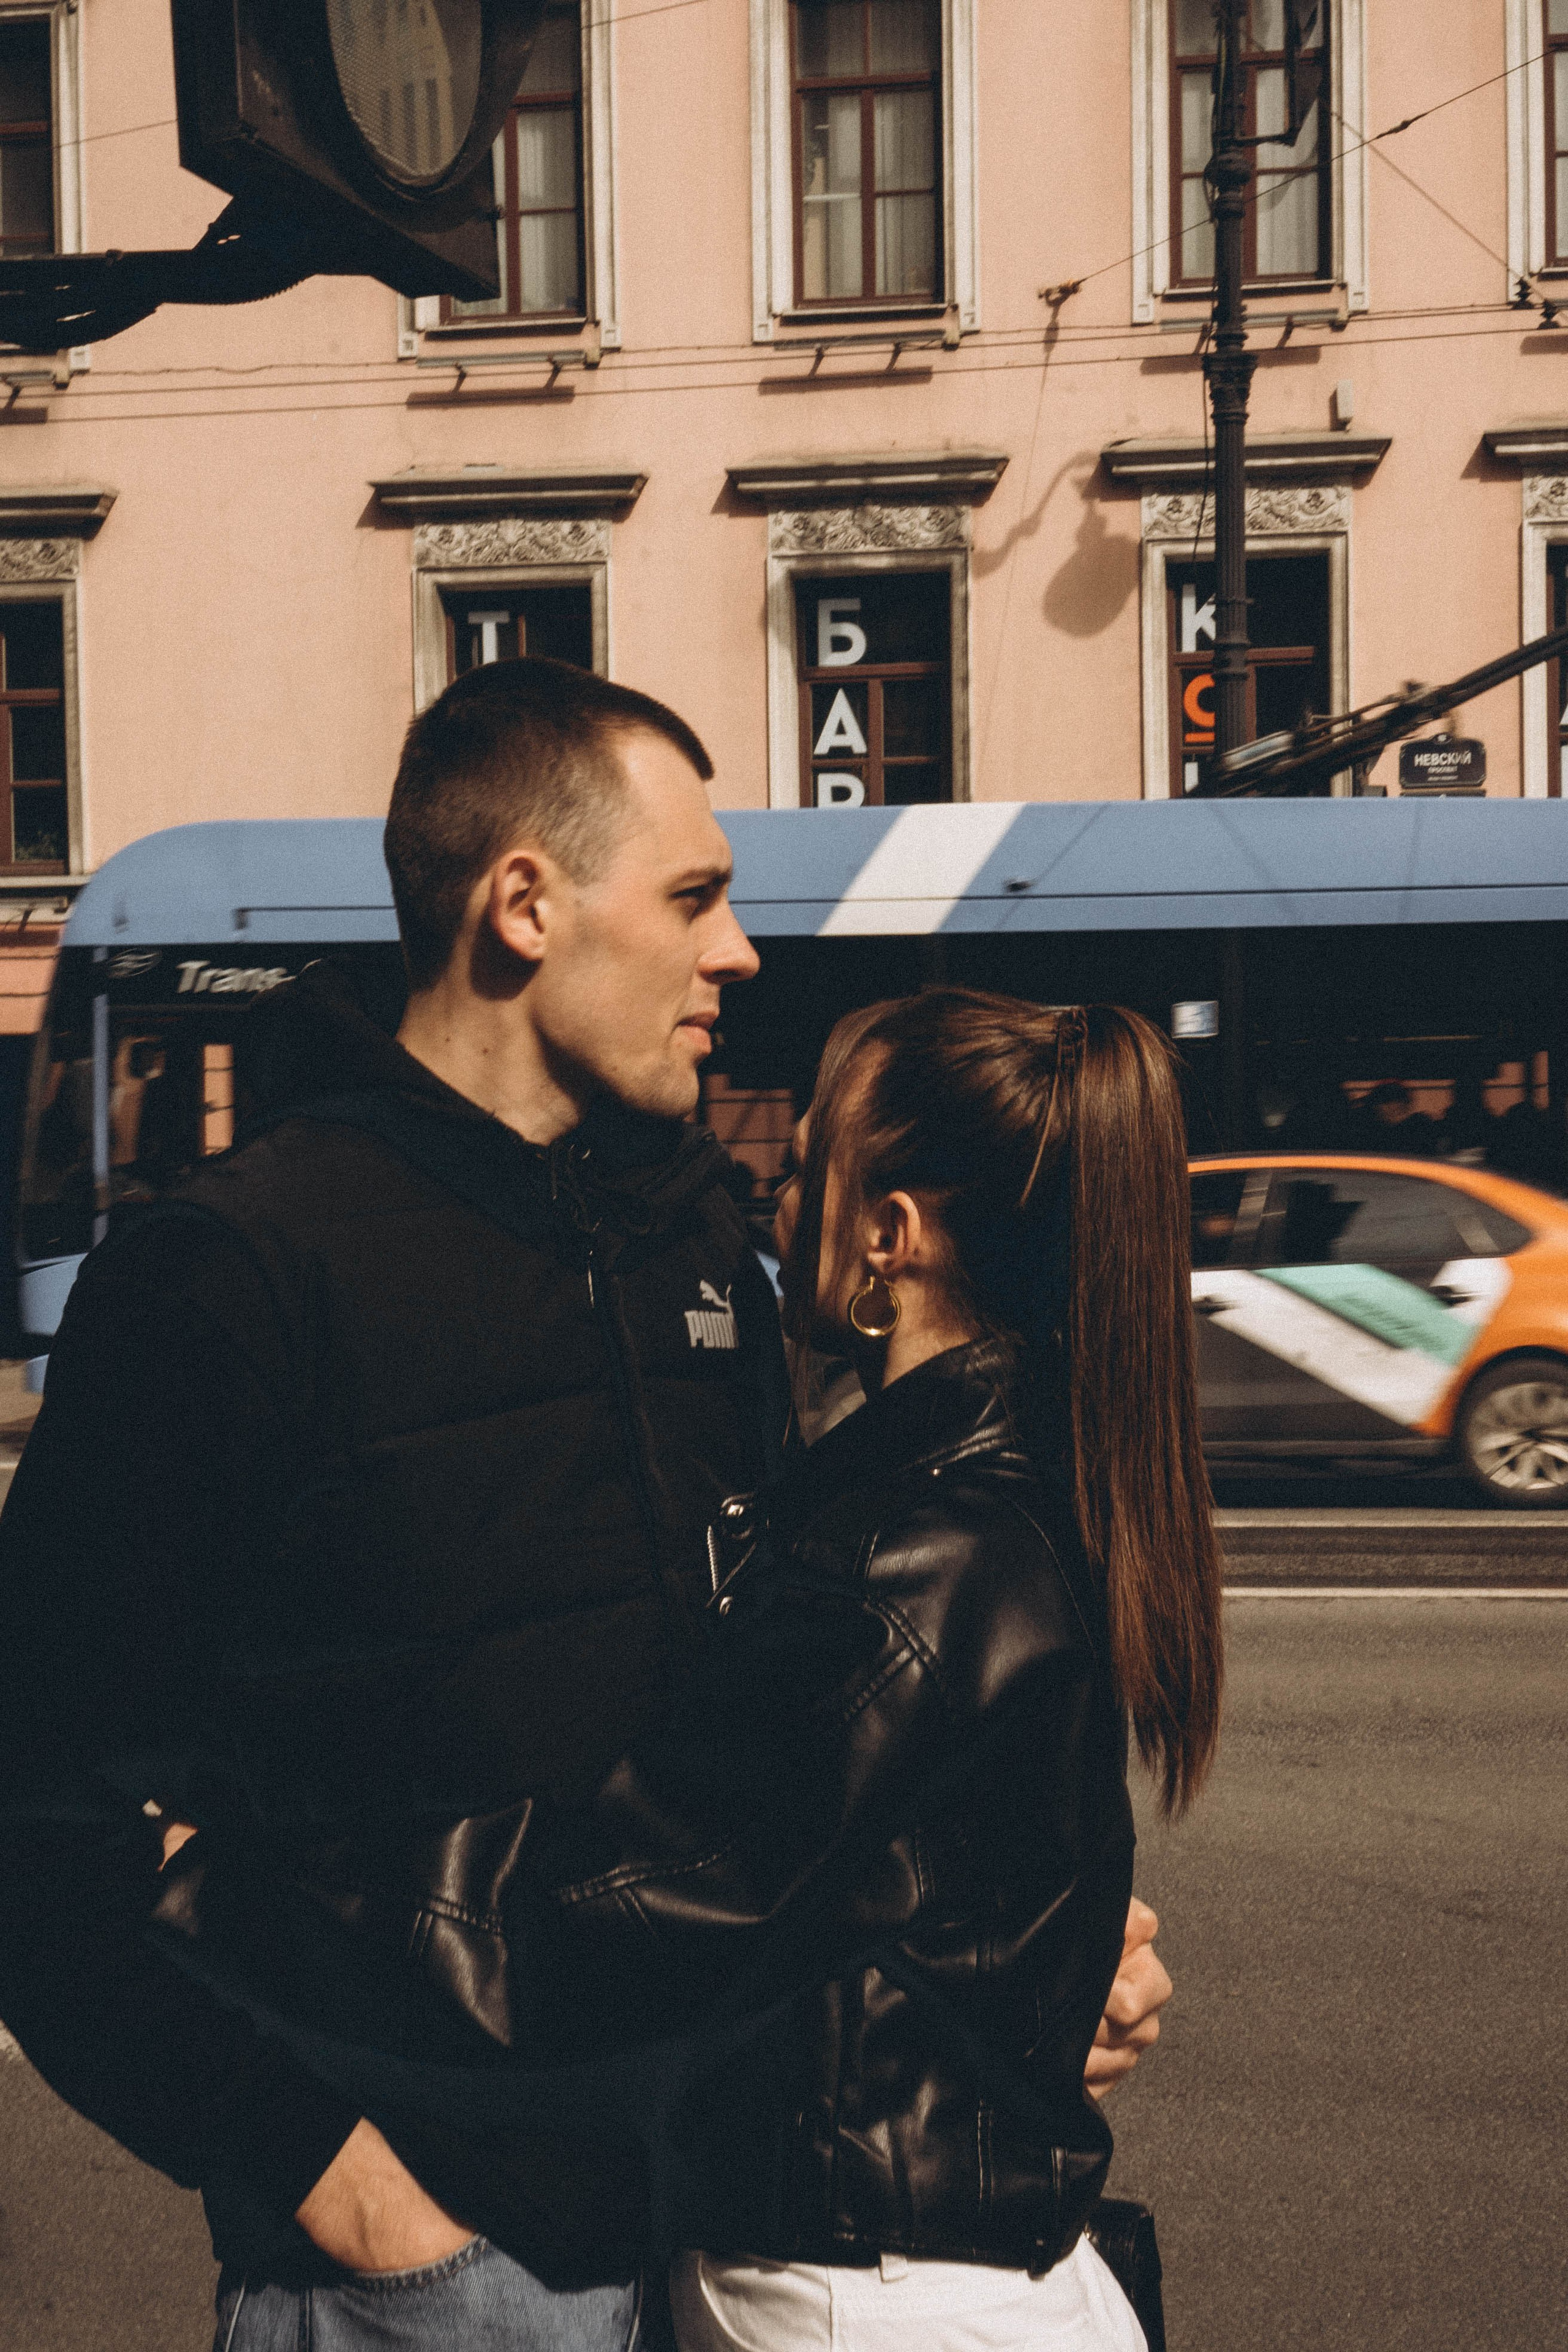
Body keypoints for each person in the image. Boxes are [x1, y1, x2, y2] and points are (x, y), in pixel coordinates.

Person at [0, 665, 1170, 2352]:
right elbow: (44, 1824)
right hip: (440, 2275)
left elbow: (777, 1746)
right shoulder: (230, 1276)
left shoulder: (697, 1241)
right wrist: (343, 2192)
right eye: (694, 897)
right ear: (525, 905)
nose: (737, 954)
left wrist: (1010, 1952)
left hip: (735, 2233)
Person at [164, 988, 1219, 2351]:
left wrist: (220, 1887)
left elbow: (603, 1917)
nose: (772, 1201)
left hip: (864, 2306)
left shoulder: (911, 1561)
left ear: (888, 1239)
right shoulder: (1007, 1494)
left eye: (806, 1170)